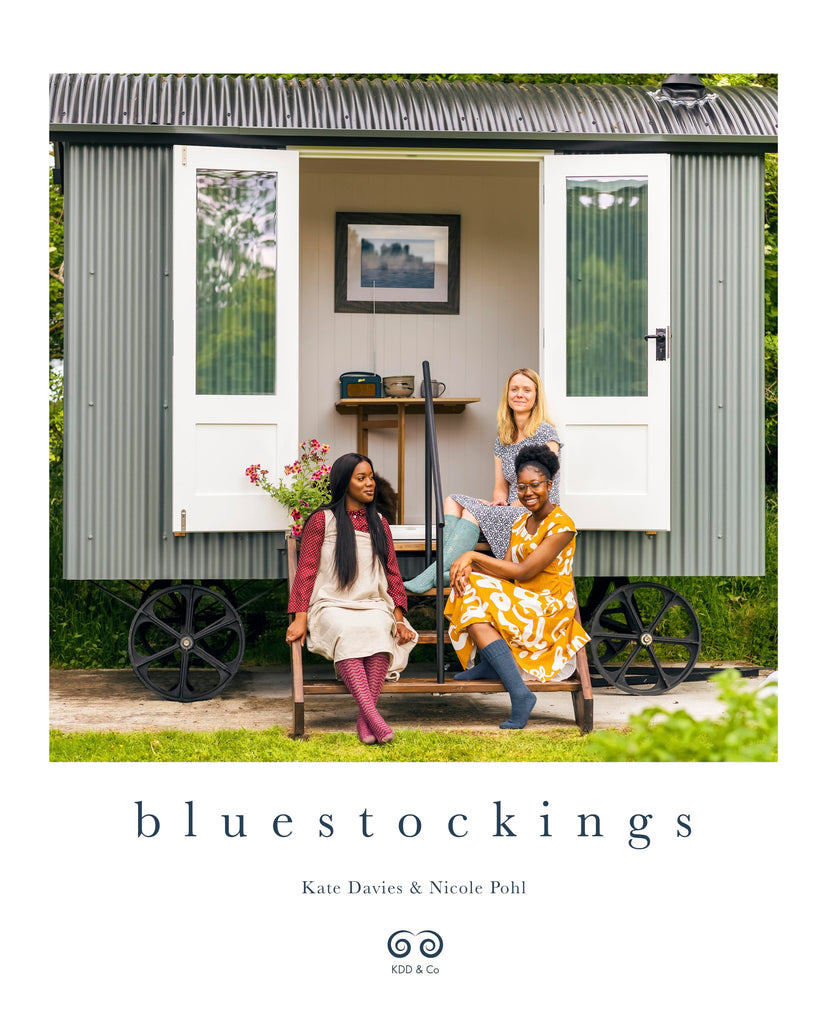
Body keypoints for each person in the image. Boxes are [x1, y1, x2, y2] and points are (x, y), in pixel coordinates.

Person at [444, 445, 589, 730]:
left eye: (535, 485)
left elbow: (525, 571)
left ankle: (518, 692)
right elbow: (507, 571)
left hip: (549, 609)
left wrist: (472, 556)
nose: (528, 493)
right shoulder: (521, 521)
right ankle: (495, 667)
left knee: (473, 592)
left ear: (549, 485)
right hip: (524, 599)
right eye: (521, 487)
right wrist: (470, 571)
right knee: (469, 586)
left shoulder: (562, 526)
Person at [286, 453, 417, 744]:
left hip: (372, 603)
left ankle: (365, 720)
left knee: (378, 630)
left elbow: (392, 574)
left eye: (371, 477)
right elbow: (306, 571)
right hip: (330, 604)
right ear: (345, 483)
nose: (370, 483)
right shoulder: (322, 520)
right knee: (347, 630)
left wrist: (398, 619)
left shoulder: (379, 523)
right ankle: (375, 719)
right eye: (361, 478)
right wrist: (300, 617)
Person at [405, 367, 562, 593]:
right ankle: (448, 571)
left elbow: (544, 484)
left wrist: (510, 505)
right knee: (452, 500)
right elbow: (500, 486)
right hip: (510, 507)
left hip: (533, 510)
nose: (519, 394)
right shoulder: (503, 437)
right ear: (507, 395)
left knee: (473, 512)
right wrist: (499, 502)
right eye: (514, 389)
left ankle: (433, 574)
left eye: (527, 390)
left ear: (536, 396)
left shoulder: (545, 432)